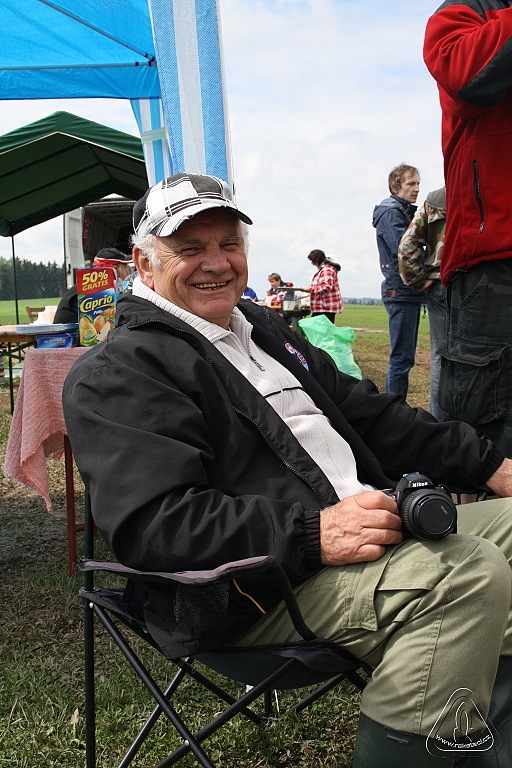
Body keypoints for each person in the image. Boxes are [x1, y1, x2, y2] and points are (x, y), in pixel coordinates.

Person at [63, 172, 512, 767]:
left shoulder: (264, 331)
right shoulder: (121, 371)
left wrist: (491, 465)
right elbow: (157, 527)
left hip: (367, 531)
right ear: (144, 264)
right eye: (190, 248)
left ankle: (483, 742)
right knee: (466, 573)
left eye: (229, 243)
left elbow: (371, 415)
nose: (216, 263)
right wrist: (312, 533)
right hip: (254, 588)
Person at [424, 4, 512, 457]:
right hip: (492, 261)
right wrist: (419, 281)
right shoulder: (468, 8)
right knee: (487, 433)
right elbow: (465, 74)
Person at [372, 164, 424, 400]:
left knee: (404, 357)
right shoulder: (392, 213)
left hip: (406, 291)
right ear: (396, 187)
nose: (416, 189)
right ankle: (394, 411)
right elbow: (404, 249)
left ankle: (396, 408)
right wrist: (424, 278)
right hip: (401, 291)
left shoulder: (402, 211)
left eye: (418, 184)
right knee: (401, 358)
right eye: (411, 184)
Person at [398, 187, 448, 422]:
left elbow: (407, 245)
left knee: (440, 356)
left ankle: (441, 426)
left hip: (442, 284)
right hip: (488, 283)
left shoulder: (436, 199)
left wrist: (418, 279)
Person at [53, 247, 133, 324]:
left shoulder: (89, 286)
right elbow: (105, 322)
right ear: (113, 270)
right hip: (69, 332)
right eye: (125, 268)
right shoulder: (95, 290)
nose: (127, 273)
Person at [299, 249, 343, 323]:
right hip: (322, 307)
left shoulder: (326, 270)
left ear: (317, 260)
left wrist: (310, 289)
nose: (312, 263)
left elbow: (326, 287)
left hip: (325, 308)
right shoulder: (323, 270)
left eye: (313, 261)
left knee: (320, 329)